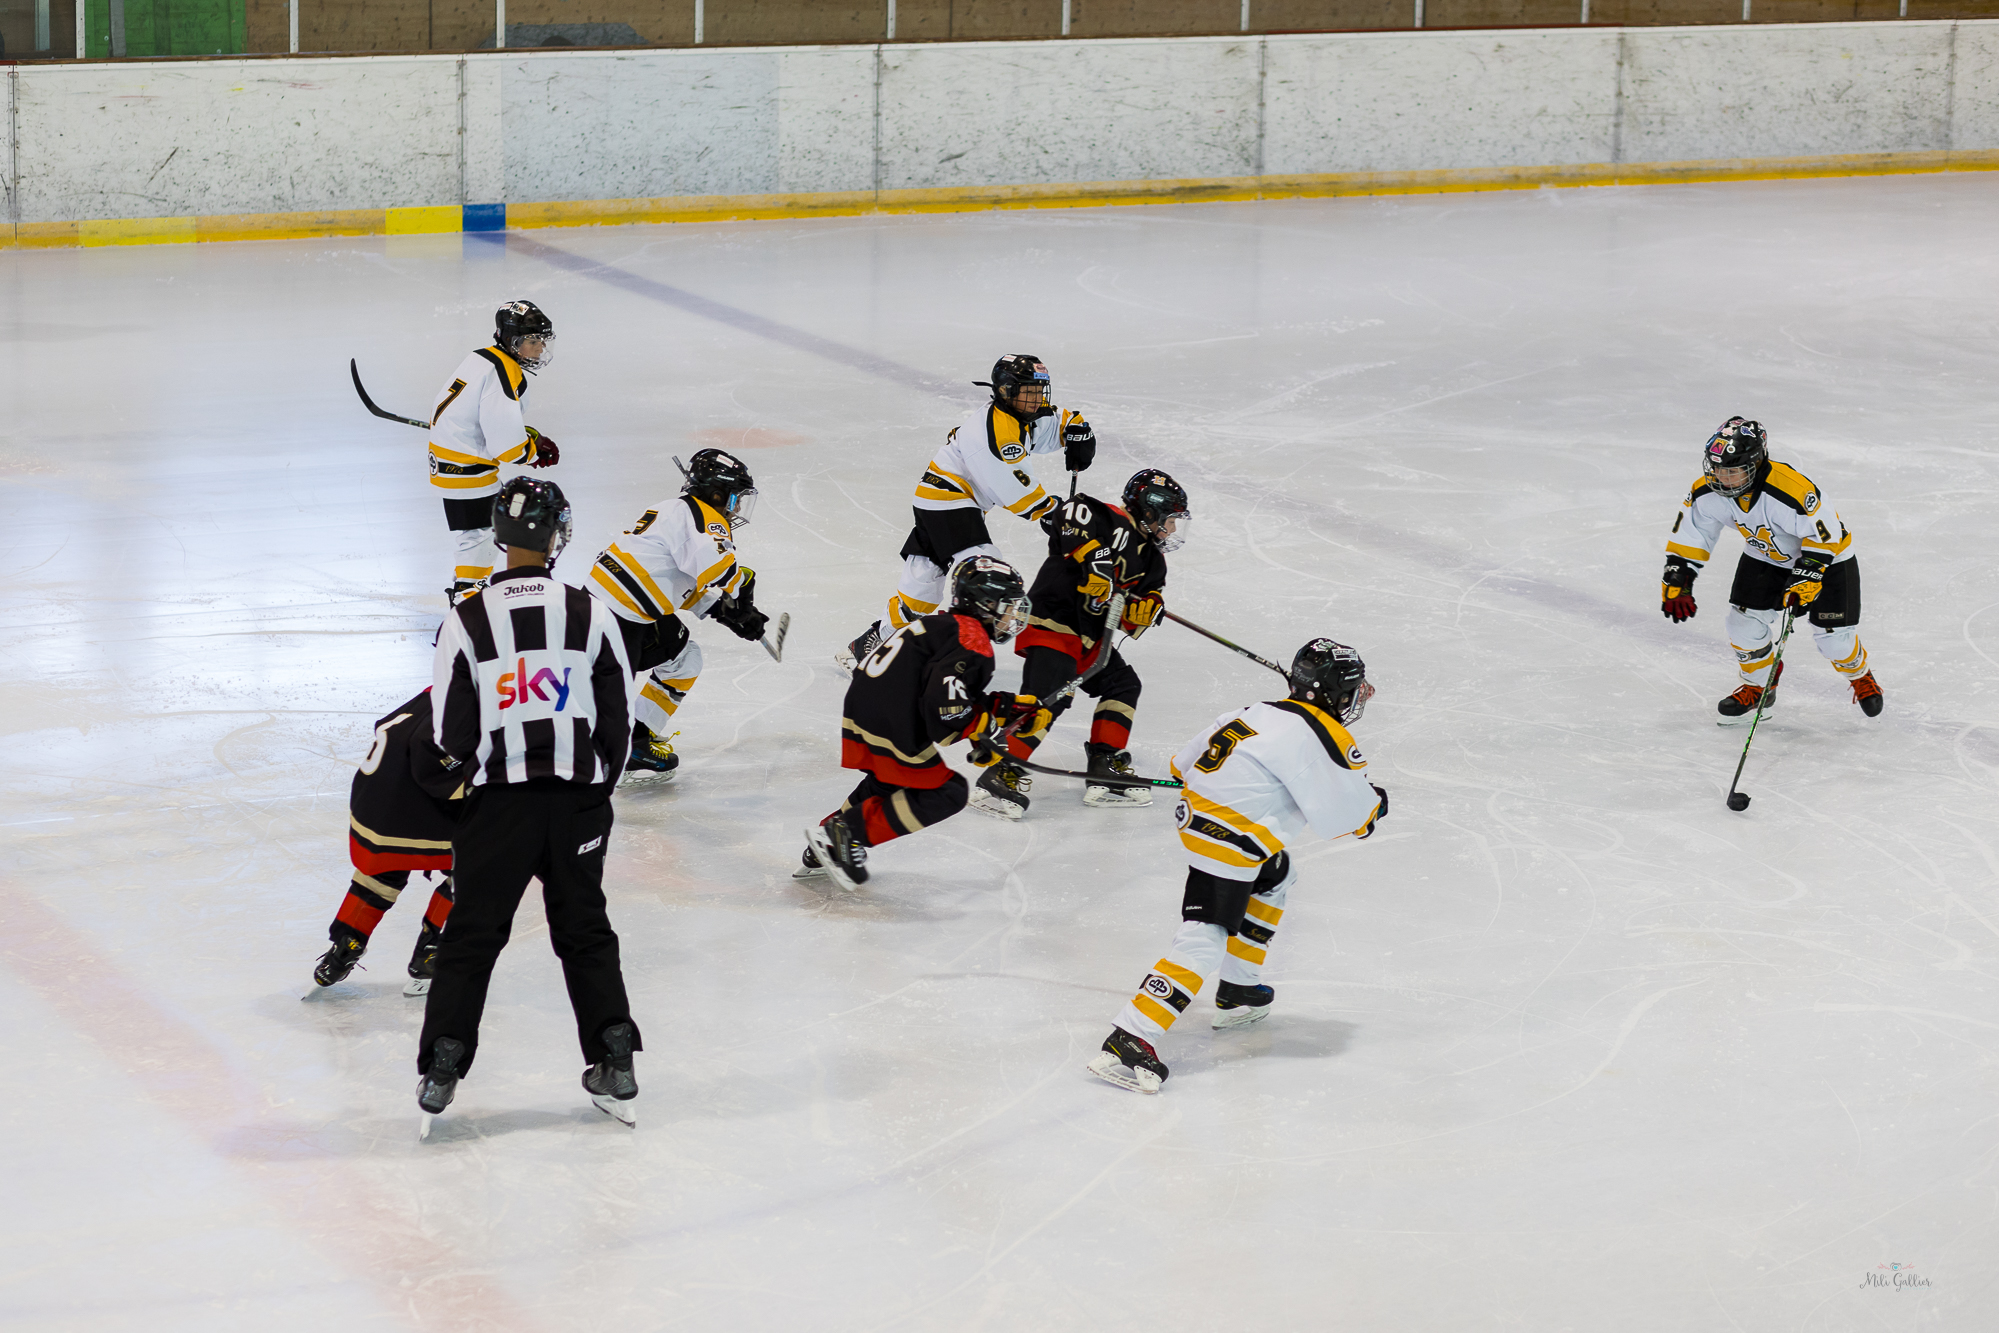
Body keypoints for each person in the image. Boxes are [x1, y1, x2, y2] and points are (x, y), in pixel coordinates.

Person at [415, 477, 642, 1135]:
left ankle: (443, 1064)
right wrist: (596, 789)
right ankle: (614, 1056)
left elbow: (449, 732)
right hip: (576, 802)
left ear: (499, 535)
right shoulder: (590, 612)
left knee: (471, 935)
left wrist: (479, 779)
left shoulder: (464, 620)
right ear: (556, 536)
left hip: (498, 807)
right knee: (585, 929)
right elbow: (618, 717)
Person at [1086, 639, 1387, 1095]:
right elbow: (1352, 818)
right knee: (1204, 937)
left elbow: (1181, 765)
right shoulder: (1322, 733)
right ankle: (1132, 1034)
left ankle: (1239, 989)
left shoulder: (1254, 711)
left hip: (1196, 820)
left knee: (1276, 874)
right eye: (1350, 689)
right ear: (1333, 693)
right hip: (1229, 840)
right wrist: (1376, 804)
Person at [797, 556, 1043, 891]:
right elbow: (945, 712)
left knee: (889, 783)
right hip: (892, 718)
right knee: (947, 792)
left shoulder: (945, 625)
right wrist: (985, 729)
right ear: (986, 605)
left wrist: (1006, 709)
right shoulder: (973, 641)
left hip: (869, 708)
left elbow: (946, 692)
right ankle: (846, 834)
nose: (1013, 616)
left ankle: (825, 843)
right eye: (1008, 606)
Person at [835, 355, 1096, 669]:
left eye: (1040, 390)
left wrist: (1075, 428)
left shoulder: (1020, 413)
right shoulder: (995, 433)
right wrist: (1049, 511)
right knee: (986, 579)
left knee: (921, 590)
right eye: (1029, 391)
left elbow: (1055, 420)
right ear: (1006, 391)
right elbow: (1010, 486)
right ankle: (952, 654)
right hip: (949, 502)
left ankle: (869, 646)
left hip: (941, 501)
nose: (1037, 398)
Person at [972, 469, 1188, 821]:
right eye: (1170, 519)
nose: (1173, 529)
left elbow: (1137, 609)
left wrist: (1144, 608)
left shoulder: (1152, 560)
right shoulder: (1102, 516)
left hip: (1091, 640)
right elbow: (1067, 516)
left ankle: (1104, 764)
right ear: (1148, 510)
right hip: (1055, 623)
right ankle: (1002, 771)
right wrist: (1094, 559)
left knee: (1123, 685)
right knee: (1046, 699)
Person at [1661, 417, 1882, 721]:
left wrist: (1808, 574)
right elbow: (1694, 532)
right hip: (1767, 556)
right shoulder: (1706, 493)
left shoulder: (1790, 490)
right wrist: (1680, 574)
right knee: (1742, 624)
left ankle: (1859, 675)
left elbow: (1825, 534)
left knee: (1834, 640)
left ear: (1756, 463)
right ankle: (1759, 685)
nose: (1722, 478)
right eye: (1717, 469)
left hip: (1828, 558)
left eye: (1732, 471)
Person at [586, 448, 770, 782]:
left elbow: (663, 578)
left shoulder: (670, 508)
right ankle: (609, 752)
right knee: (595, 699)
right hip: (621, 621)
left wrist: (723, 611)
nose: (738, 508)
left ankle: (635, 740)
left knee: (684, 660)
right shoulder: (706, 519)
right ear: (717, 494)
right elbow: (722, 571)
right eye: (735, 498)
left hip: (604, 606)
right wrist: (743, 592)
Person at [308, 687, 468, 997]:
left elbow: (389, 727)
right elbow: (431, 752)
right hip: (414, 810)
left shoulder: (436, 690)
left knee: (381, 873)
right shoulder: (477, 696)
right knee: (476, 865)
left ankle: (346, 945)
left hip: (373, 808)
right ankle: (432, 950)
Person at [427, 300, 561, 603]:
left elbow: (477, 416)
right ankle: (467, 596)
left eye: (542, 340)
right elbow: (507, 448)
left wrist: (528, 437)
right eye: (532, 340)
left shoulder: (482, 358)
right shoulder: (506, 373)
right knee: (483, 532)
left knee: (479, 531)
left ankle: (467, 590)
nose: (540, 348)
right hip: (466, 465)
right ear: (511, 341)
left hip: (449, 459)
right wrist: (531, 452)